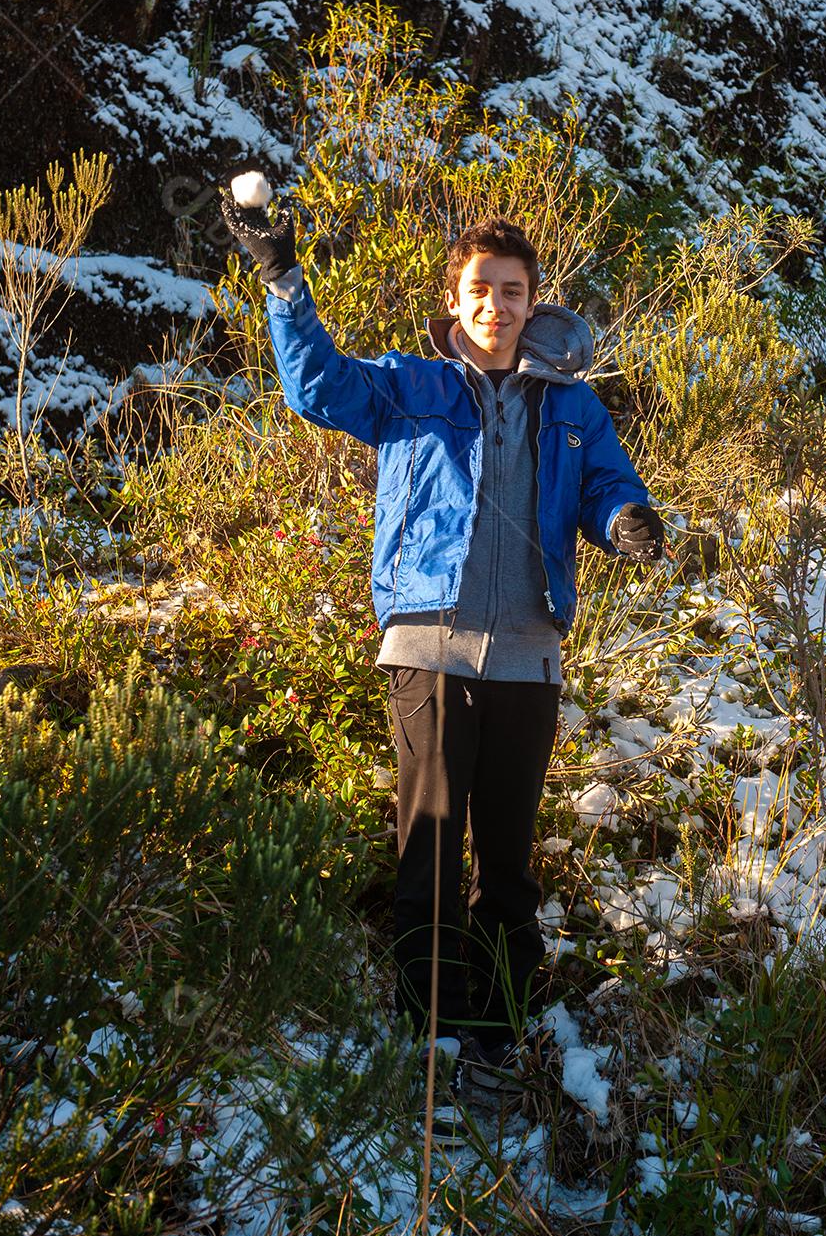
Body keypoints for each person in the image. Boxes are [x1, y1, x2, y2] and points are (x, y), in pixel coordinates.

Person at [221, 185, 664, 1098]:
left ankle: (496, 1039)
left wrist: (627, 519)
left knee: (507, 855)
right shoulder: (411, 385)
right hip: (430, 646)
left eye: (511, 289)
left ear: (532, 299)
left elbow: (608, 486)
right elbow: (317, 385)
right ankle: (428, 1035)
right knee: (429, 843)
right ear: (454, 300)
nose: (495, 304)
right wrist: (281, 278)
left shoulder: (573, 407)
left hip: (531, 656)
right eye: (480, 288)